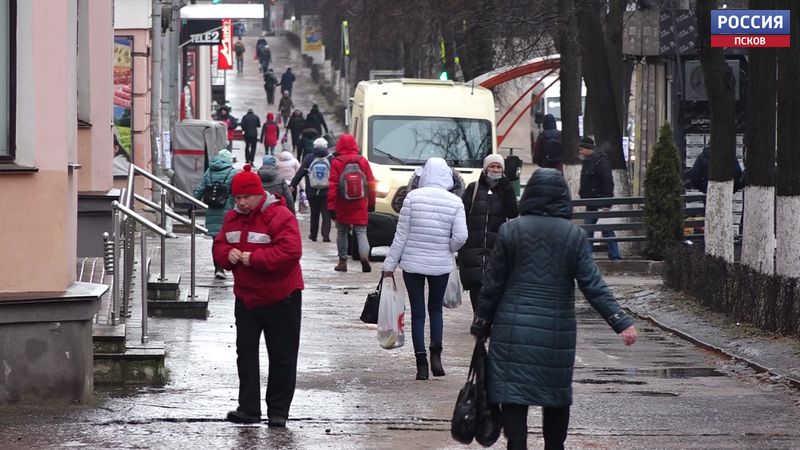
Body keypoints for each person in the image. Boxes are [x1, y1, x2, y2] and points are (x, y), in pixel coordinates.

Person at [471, 168, 638, 450]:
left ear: (530, 195)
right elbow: (592, 284)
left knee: (513, 393)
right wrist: (620, 321)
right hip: (555, 334)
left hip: (513, 331)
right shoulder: (573, 236)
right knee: (555, 395)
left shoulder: (511, 230)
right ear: (564, 197)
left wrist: (481, 325)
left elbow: (493, 284)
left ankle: (518, 445)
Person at [213, 164, 304, 427]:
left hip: (282, 297)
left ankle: (278, 412)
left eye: (246, 197)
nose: (241, 203)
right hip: (247, 298)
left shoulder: (280, 216)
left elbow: (290, 253)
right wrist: (225, 256)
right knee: (246, 355)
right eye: (237, 198)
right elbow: (219, 245)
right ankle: (249, 409)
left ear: (258, 194)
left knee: (282, 356)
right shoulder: (232, 218)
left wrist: (253, 258)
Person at [382, 157, 468, 380]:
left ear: (425, 174)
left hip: (411, 265)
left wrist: (389, 265)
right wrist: (447, 249)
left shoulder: (412, 198)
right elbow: (461, 236)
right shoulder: (455, 202)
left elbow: (401, 235)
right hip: (440, 265)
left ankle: (421, 363)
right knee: (436, 310)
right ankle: (436, 357)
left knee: (418, 314)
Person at [459, 154, 519, 310]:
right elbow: (462, 215)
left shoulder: (506, 189)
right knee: (476, 285)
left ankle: (489, 319)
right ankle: (478, 318)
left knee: (494, 284)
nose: (495, 170)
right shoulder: (473, 188)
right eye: (492, 166)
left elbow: (513, 213)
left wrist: (507, 188)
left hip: (496, 247)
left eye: (499, 167)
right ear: (485, 168)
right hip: (473, 246)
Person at [327, 134, 376, 272]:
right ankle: (364, 258)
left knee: (342, 231)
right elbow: (371, 183)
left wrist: (331, 206)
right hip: (360, 203)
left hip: (342, 203)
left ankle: (342, 262)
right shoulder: (362, 161)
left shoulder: (336, 162)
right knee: (361, 231)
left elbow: (333, 185)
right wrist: (371, 202)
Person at [192, 150, 238, 280]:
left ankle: (218, 268)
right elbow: (236, 193)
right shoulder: (232, 173)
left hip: (212, 210)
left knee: (216, 241)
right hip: (227, 210)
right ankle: (228, 265)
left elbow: (200, 189)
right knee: (228, 240)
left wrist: (193, 204)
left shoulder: (209, 171)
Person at [578, 137, 620, 260]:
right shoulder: (590, 160)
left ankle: (613, 257)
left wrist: (606, 203)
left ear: (588, 149)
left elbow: (607, 181)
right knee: (592, 231)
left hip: (600, 202)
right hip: (591, 201)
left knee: (600, 230)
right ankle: (591, 257)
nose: (580, 152)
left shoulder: (600, 161)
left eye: (581, 149)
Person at [290, 137, 333, 242]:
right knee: (326, 214)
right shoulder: (331, 159)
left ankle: (313, 235)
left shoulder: (309, 158)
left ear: (314, 147)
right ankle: (326, 236)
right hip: (327, 191)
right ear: (326, 146)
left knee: (314, 213)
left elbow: (300, 173)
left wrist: (293, 185)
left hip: (312, 191)